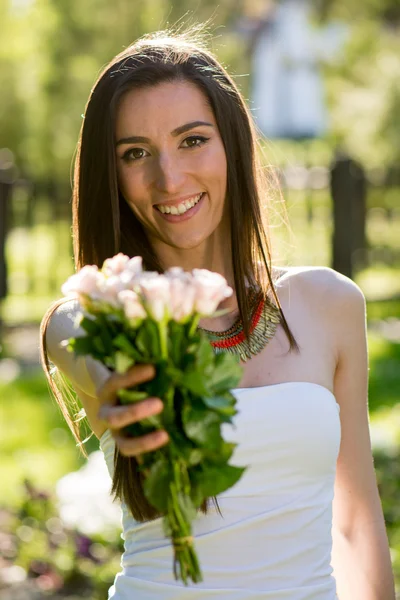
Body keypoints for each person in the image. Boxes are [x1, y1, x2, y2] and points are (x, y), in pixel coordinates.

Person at [40, 29, 395, 600]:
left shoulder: (330, 304)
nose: (169, 178)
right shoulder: (101, 322)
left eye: (192, 140)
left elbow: (356, 526)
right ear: (113, 176)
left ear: (234, 145)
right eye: (135, 153)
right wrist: (121, 392)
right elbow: (75, 336)